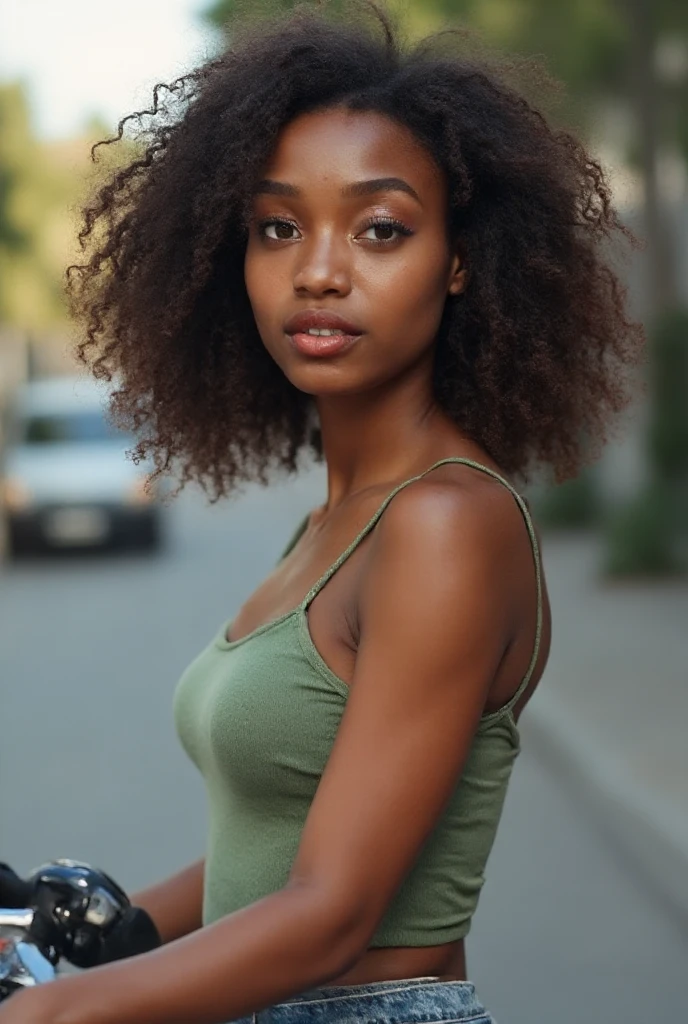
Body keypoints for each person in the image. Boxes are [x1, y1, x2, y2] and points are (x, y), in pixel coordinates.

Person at [0, 2, 643, 1022]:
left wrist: (48, 1012)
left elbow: (337, 910)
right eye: (278, 227)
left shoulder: (443, 522)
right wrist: (113, 926)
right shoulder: (335, 523)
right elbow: (297, 836)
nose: (319, 270)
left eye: (380, 229)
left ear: (461, 260)